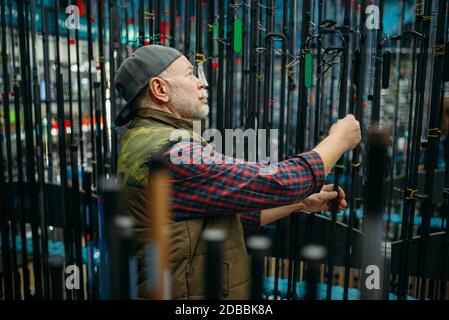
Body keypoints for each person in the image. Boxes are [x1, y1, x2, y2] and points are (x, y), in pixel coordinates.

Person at [115, 45, 361, 299]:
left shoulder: (146, 139)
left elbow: (219, 216)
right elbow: (276, 183)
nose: (202, 83)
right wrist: (339, 140)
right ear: (160, 89)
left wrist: (298, 202)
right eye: (190, 74)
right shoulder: (170, 152)